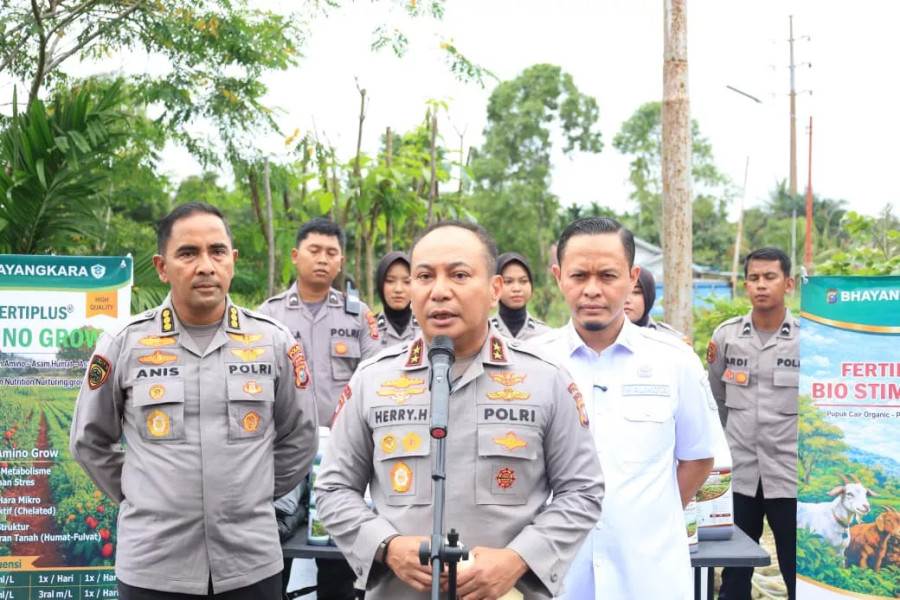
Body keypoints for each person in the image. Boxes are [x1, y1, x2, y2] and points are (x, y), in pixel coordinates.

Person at [314, 220, 604, 600]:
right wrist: (387, 547)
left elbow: (582, 491)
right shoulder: (372, 380)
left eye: (459, 275)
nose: (439, 291)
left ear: (494, 289)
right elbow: (334, 489)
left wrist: (518, 559)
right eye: (424, 276)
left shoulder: (544, 379)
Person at [70, 202, 319, 599]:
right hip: (154, 566)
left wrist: (250, 491)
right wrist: (145, 493)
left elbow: (301, 437)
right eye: (188, 253)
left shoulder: (273, 342)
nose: (206, 265)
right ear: (162, 266)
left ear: (232, 261)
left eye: (217, 251)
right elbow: (89, 439)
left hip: (249, 562)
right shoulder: (125, 344)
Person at [537, 217, 720, 600]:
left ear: (632, 277)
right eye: (578, 275)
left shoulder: (675, 361)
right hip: (560, 578)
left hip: (650, 577)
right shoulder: (535, 364)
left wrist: (645, 517)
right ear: (558, 277)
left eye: (607, 275)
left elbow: (699, 458)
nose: (592, 290)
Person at [258, 217, 381, 600]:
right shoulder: (268, 315)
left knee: (338, 563)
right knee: (275, 555)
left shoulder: (357, 315)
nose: (323, 259)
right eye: (314, 251)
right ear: (296, 256)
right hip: (282, 454)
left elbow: (375, 381)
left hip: (343, 456)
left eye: (331, 253)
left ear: (341, 261)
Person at [706, 247, 798, 600]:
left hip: (787, 476)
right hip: (739, 474)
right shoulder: (726, 337)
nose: (761, 285)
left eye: (770, 277)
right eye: (754, 278)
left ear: (787, 283)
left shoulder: (806, 339)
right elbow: (714, 401)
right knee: (734, 571)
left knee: (793, 567)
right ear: (745, 285)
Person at [490, 251, 551, 341]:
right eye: (508, 281)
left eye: (523, 281)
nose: (517, 288)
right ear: (496, 287)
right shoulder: (485, 333)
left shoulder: (545, 335)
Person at [624, 267, 691, 343]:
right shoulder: (607, 341)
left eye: (636, 292)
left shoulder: (673, 341)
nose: (627, 300)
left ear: (648, 296)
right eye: (622, 292)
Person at [374, 251, 418, 347]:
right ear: (380, 284)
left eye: (406, 282)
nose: (398, 289)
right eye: (390, 281)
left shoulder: (427, 328)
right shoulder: (367, 329)